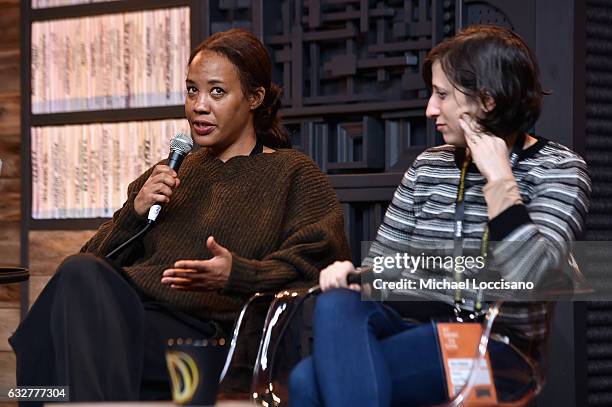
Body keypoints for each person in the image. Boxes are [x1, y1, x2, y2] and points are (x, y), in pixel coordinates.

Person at [10, 28, 349, 403]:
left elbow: (323, 264)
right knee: (76, 275)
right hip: (124, 318)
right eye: (192, 90)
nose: (198, 106)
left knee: (57, 332)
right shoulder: (172, 170)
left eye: (216, 92)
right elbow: (90, 263)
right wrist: (135, 214)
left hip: (200, 339)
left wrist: (237, 274)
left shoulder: (292, 172)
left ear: (254, 97)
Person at [289, 25, 591, 406]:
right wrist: (353, 277)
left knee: (306, 380)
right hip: (419, 329)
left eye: (442, 94)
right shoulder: (428, 166)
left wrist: (499, 179)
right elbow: (386, 271)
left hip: (498, 350)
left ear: (487, 100)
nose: (430, 108)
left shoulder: (558, 168)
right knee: (336, 303)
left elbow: (534, 281)